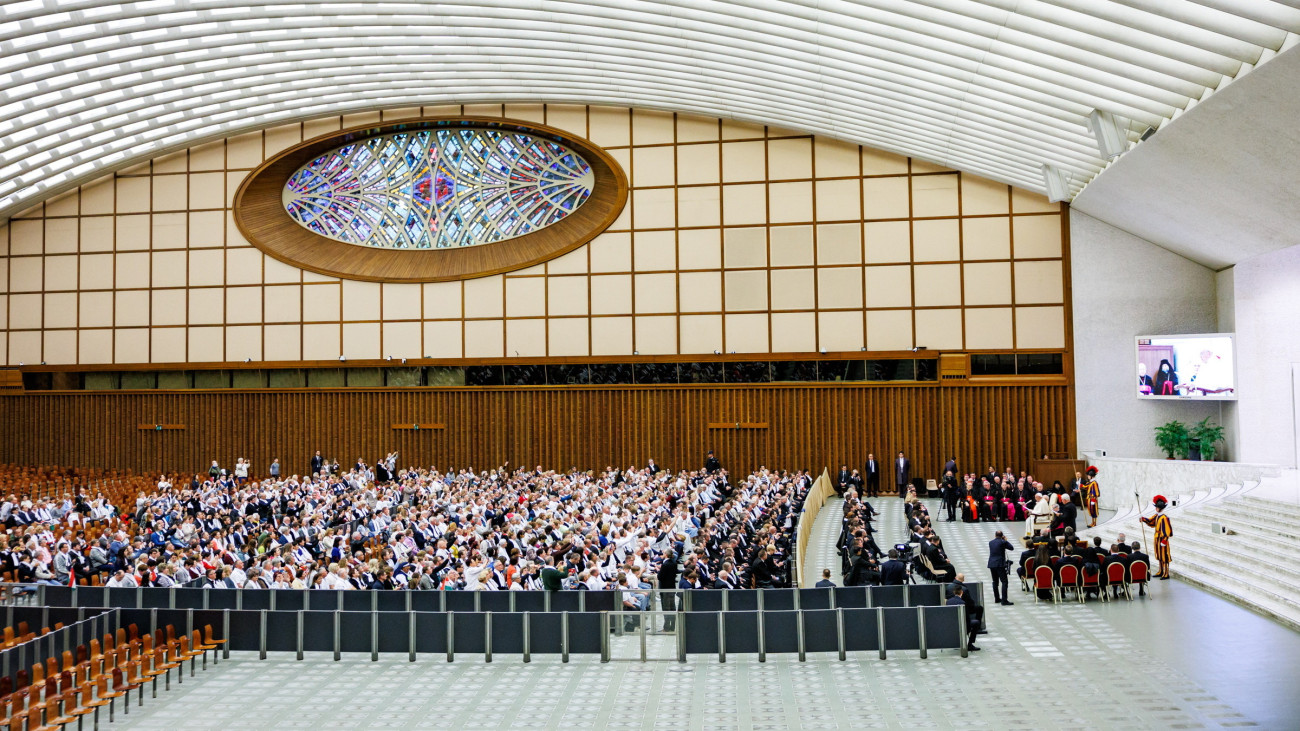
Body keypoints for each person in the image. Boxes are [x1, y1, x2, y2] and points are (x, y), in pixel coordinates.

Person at [1139, 496, 1173, 579]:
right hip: (1157, 538)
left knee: (1164, 556)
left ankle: (1166, 573)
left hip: (1162, 539)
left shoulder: (1164, 518)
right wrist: (1143, 519)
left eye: (1157, 507)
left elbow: (1167, 531)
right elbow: (1151, 521)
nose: (1156, 509)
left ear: (1160, 508)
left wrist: (1164, 541)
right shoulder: (1157, 516)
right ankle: (1161, 571)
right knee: (1159, 556)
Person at [947, 585, 979, 651]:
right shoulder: (963, 603)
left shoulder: (948, 601)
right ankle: (970, 644)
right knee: (976, 623)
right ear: (961, 592)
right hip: (962, 624)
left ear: (954, 592)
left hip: (951, 624)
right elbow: (966, 617)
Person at [986, 530, 1015, 606]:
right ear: (1002, 535)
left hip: (992, 564)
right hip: (1000, 564)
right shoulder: (1003, 542)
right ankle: (1004, 600)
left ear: (995, 535)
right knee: (1004, 582)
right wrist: (1006, 540)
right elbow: (1011, 548)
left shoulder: (990, 542)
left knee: (995, 582)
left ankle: (997, 598)